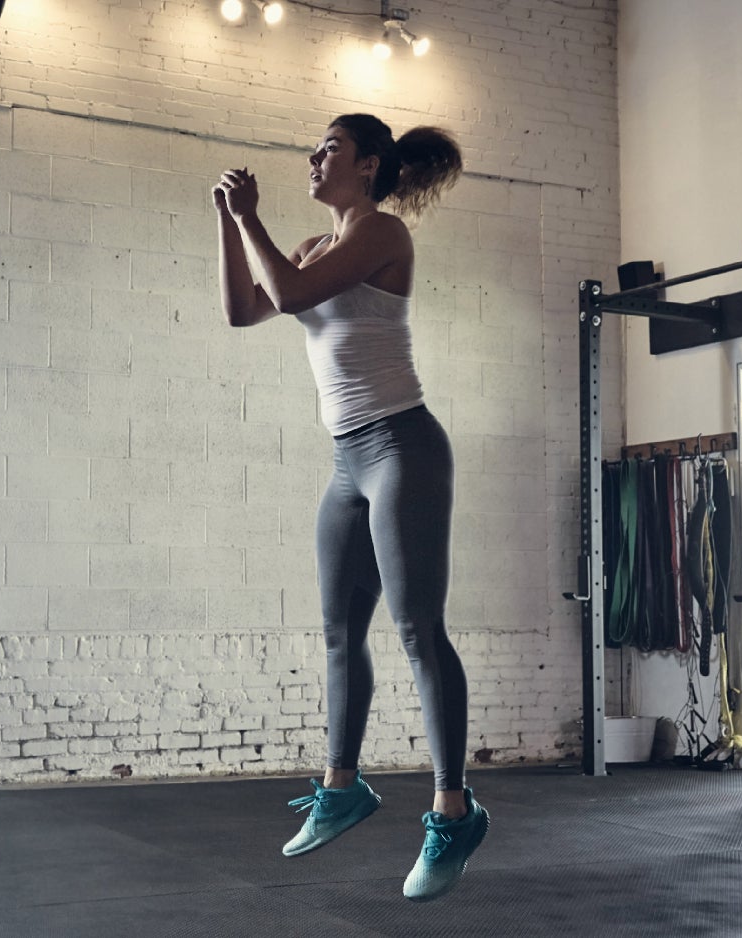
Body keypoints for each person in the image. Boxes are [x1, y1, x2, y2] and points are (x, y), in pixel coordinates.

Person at [213, 114, 486, 903]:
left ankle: (453, 808)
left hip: (403, 447)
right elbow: (243, 309)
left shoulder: (383, 234)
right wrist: (228, 226)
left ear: (367, 166)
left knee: (416, 628)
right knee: (339, 630)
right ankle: (343, 787)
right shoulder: (309, 246)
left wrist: (250, 217)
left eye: (328, 148)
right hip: (348, 461)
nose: (312, 156)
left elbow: (291, 295)